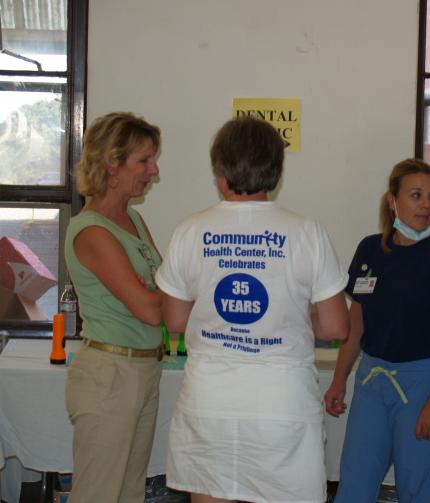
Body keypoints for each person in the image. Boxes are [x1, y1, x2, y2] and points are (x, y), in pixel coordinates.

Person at [155, 115, 349, 503]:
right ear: (275, 173)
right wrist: (289, 316)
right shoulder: (306, 231)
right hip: (282, 404)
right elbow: (336, 326)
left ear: (220, 173)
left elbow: (174, 320)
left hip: (210, 402)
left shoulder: (190, 230)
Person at [324, 158, 430, 502]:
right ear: (393, 200)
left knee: (417, 489)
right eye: (416, 195)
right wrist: (337, 381)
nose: (426, 205)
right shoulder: (370, 250)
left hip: (426, 383)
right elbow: (356, 323)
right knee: (354, 486)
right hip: (372, 381)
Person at [64, 112, 163, 503]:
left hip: (144, 367)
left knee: (129, 493)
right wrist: (151, 294)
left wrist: (153, 292)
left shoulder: (133, 220)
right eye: (144, 161)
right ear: (112, 164)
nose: (153, 171)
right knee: (99, 494)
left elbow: (171, 289)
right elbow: (153, 310)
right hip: (110, 374)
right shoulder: (91, 229)